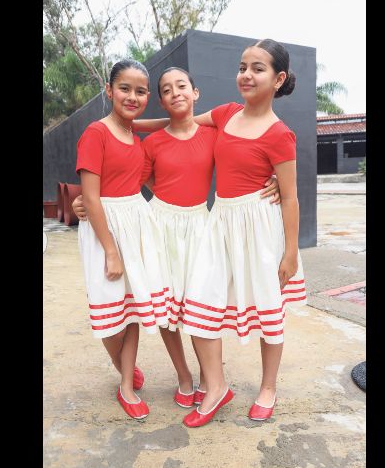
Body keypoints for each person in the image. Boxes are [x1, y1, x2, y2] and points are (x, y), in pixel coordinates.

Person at [72, 66, 281, 411]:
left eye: (181, 86)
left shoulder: (214, 133)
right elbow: (123, 181)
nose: (175, 93)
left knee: (200, 305)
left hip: (202, 225)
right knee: (165, 307)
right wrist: (84, 202)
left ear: (195, 92)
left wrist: (274, 176)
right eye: (166, 90)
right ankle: (183, 376)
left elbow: (250, 146)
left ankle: (208, 379)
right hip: (158, 225)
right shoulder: (148, 142)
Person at [134, 39, 307, 427]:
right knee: (198, 305)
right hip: (220, 224)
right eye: (243, 66)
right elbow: (180, 122)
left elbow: (291, 198)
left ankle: (268, 388)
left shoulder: (281, 135)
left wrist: (291, 252)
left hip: (261, 227)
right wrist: (123, 125)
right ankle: (216, 387)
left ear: (278, 79)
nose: (246, 74)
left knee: (268, 308)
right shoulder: (227, 114)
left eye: (257, 68)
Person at [75, 59, 171, 420]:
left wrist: (187, 118)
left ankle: (126, 386)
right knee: (107, 310)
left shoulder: (134, 134)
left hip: (137, 224)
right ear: (109, 90)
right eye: (125, 89)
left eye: (141, 91)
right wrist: (111, 251)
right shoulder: (95, 133)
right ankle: (123, 365)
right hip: (105, 230)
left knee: (131, 310)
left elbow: (163, 122)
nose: (132, 96)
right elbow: (91, 196)